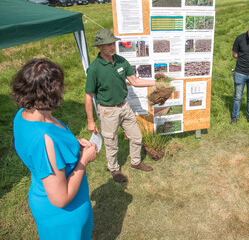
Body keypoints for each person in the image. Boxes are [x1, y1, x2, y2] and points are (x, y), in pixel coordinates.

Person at [12, 58, 98, 239]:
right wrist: (84, 159)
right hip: (64, 216)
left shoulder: (23, 115)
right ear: (51, 92)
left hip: (42, 193)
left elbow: (46, 145)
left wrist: (73, 143)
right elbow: (61, 198)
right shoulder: (45, 139)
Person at [85, 29, 156, 183]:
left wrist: (156, 83)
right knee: (111, 142)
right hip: (107, 111)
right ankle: (114, 169)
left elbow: (135, 81)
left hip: (124, 106)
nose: (112, 47)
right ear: (99, 47)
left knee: (136, 136)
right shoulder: (94, 69)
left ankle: (136, 162)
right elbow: (88, 96)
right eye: (108, 44)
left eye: (113, 43)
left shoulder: (121, 61)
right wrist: (91, 121)